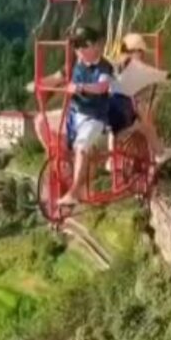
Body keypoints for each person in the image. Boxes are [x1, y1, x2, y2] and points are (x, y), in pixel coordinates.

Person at [58, 24, 117, 206]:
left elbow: (102, 87)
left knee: (82, 147)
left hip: (95, 117)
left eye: (81, 47)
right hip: (76, 114)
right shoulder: (78, 65)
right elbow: (59, 77)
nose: (78, 51)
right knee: (44, 125)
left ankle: (74, 192)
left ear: (93, 46)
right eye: (76, 47)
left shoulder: (104, 67)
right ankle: (68, 175)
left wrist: (81, 87)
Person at [112, 32, 167, 164]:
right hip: (122, 121)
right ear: (136, 51)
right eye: (141, 52)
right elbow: (161, 75)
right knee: (147, 125)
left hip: (104, 117)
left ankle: (112, 160)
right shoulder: (137, 67)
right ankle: (160, 153)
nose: (142, 56)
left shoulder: (113, 65)